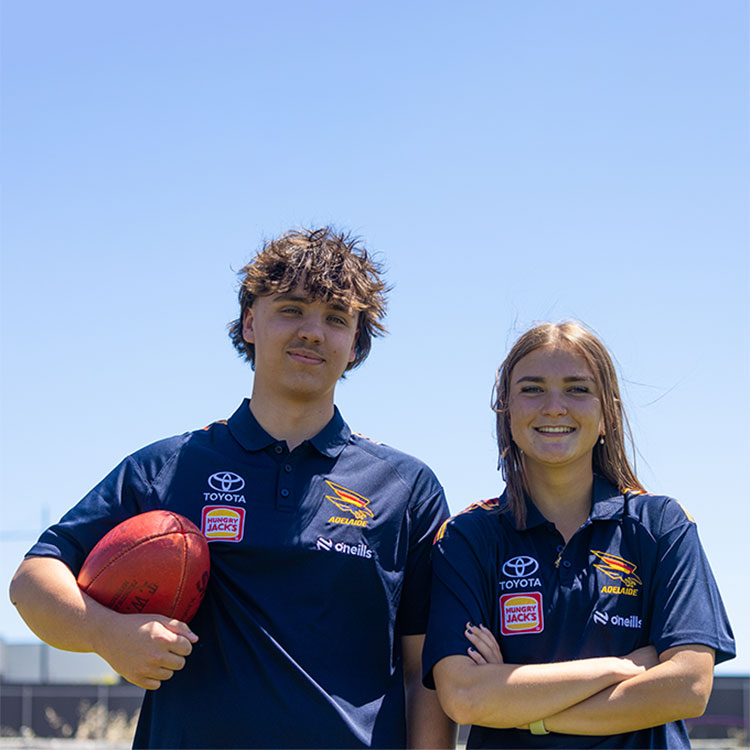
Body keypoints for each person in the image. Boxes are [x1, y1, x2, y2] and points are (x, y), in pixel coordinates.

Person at [10, 227, 455, 749]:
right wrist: (107, 634)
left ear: (356, 342)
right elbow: (31, 581)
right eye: (291, 309)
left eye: (336, 318)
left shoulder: (405, 488)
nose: (313, 331)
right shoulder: (170, 467)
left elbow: (421, 674)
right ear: (249, 322)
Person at [422, 321, 735, 748]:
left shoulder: (662, 526)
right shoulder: (467, 538)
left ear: (607, 412)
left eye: (577, 389)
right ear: (506, 411)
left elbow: (688, 687)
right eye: (532, 389)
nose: (554, 407)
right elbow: (464, 696)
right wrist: (622, 666)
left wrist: (523, 709)